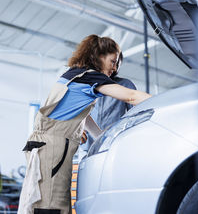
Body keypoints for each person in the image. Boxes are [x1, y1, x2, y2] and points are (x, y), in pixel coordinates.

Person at [18, 34, 151, 214]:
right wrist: (165, 101)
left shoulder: (74, 75)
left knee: (47, 203)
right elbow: (131, 97)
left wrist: (100, 138)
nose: (115, 67)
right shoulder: (89, 77)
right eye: (112, 61)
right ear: (98, 56)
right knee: (49, 207)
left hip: (48, 147)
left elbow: (83, 115)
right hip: (53, 150)